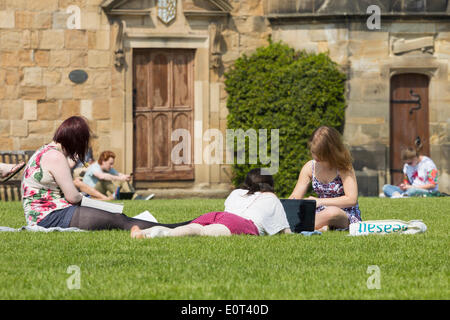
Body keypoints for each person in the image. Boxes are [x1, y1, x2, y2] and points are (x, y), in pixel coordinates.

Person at [21, 116, 191, 231]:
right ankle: (173, 227)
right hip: (51, 217)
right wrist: (95, 203)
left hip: (46, 215)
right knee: (117, 219)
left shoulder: (45, 151)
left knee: (117, 217)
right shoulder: (56, 156)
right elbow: (73, 197)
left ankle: (171, 227)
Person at [130, 168, 292, 239]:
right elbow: (285, 230)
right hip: (241, 223)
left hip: (219, 215)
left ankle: (145, 232)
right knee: (201, 233)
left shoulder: (237, 192)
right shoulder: (271, 197)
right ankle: (154, 236)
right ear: (269, 184)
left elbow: (229, 209)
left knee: (192, 228)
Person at [288, 126, 362, 231]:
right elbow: (295, 196)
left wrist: (320, 201)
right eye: (313, 152)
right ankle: (320, 226)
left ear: (331, 151)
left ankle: (296, 226)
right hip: (319, 212)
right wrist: (291, 203)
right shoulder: (310, 167)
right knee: (312, 213)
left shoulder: (343, 167)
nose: (315, 157)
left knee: (332, 212)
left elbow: (351, 199)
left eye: (320, 153)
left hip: (345, 214)